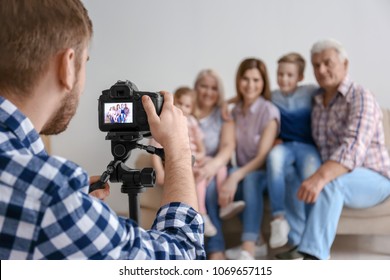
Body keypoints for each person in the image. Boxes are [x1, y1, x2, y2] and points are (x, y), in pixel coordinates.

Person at [0, 0, 205, 260]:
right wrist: (178, 150)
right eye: (85, 62)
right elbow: (182, 261)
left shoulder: (49, 196)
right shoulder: (51, 197)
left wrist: (81, 215)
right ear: (67, 65)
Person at [276, 39, 390, 260]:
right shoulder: (316, 101)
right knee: (293, 173)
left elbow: (353, 149)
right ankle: (299, 244)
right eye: (316, 65)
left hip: (375, 178)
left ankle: (315, 257)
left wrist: (319, 177)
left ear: (345, 64)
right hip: (335, 174)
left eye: (327, 63)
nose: (321, 70)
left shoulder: (360, 96)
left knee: (329, 182)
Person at [219, 58, 280, 260]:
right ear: (238, 80)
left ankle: (248, 250)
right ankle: (259, 241)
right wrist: (228, 102)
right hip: (244, 169)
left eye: (256, 80)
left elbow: (262, 157)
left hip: (263, 172)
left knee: (248, 179)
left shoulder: (269, 111)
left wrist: (236, 176)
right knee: (222, 178)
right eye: (245, 79)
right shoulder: (235, 110)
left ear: (264, 83)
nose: (250, 85)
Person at [266, 53, 322, 249]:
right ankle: (278, 219)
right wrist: (225, 104)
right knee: (273, 159)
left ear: (300, 77)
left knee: (310, 177)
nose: (284, 79)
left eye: (289, 75)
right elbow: (245, 98)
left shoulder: (310, 91)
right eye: (280, 74)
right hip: (285, 146)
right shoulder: (272, 96)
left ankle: (312, 231)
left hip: (307, 148)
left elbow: (334, 90)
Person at [151, 86, 219, 237]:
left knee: (213, 169)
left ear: (192, 108)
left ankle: (219, 206)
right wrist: (160, 171)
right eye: (179, 103)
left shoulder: (193, 123)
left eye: (187, 105)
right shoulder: (166, 121)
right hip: (177, 161)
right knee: (199, 176)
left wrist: (198, 157)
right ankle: (202, 214)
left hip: (192, 159)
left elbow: (201, 149)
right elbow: (154, 150)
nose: (182, 107)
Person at [191, 69, 242, 260]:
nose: (208, 92)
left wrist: (212, 167)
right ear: (196, 88)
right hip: (192, 166)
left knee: (211, 189)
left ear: (219, 92)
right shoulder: (186, 111)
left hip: (216, 167)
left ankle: (215, 249)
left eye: (214, 88)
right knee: (198, 185)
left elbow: (228, 146)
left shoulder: (223, 114)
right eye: (204, 86)